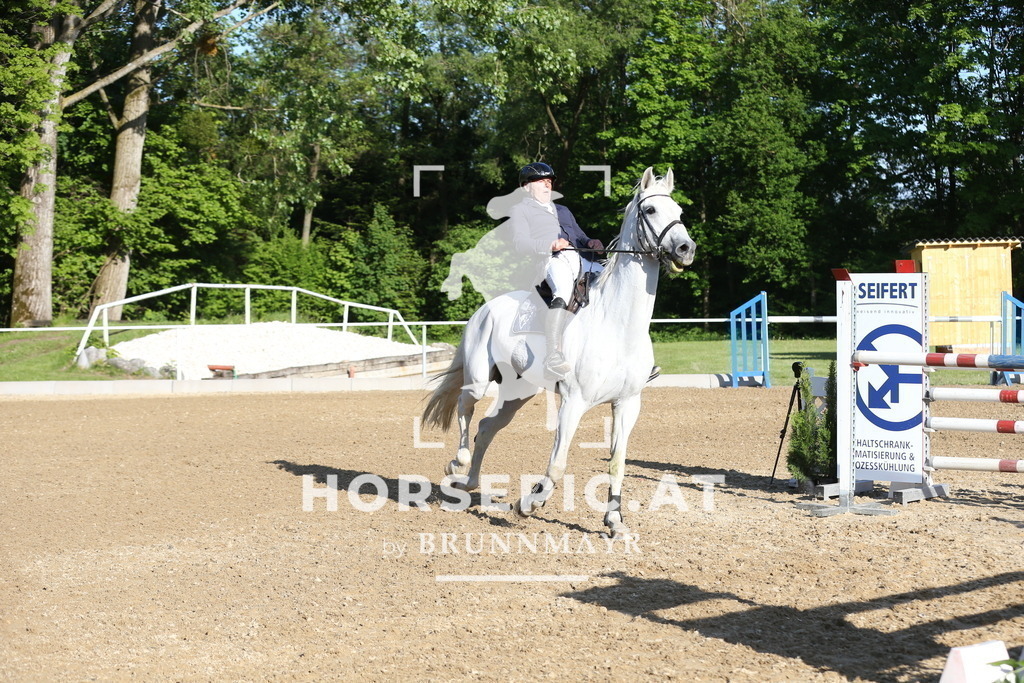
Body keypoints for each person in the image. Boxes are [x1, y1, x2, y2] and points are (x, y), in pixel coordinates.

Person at [508, 162, 604, 379]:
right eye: (541, 181)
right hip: (550, 260)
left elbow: (580, 236)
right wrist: (549, 245)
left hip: (580, 258)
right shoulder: (521, 210)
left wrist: (592, 243)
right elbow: (520, 244)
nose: (547, 185)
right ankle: (553, 354)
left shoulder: (563, 210)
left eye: (549, 181)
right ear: (526, 187)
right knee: (562, 290)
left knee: (610, 282)